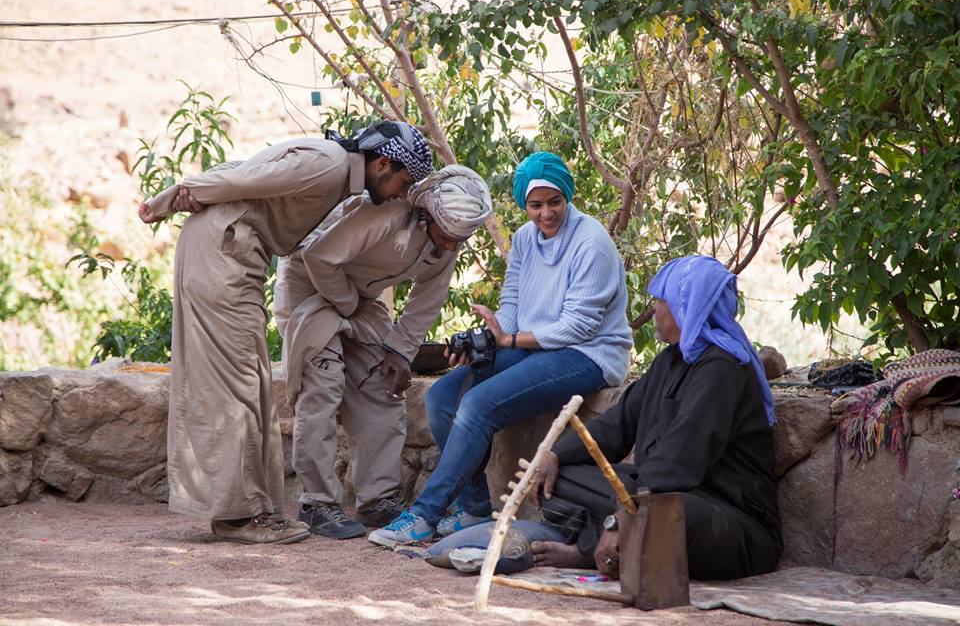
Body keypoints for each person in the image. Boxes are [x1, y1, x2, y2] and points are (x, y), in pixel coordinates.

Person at [137, 121, 432, 545]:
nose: (403, 195)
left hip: (234, 256)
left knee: (250, 381)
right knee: (236, 384)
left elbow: (252, 170)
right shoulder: (330, 164)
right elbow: (245, 178)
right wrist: (176, 195)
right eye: (403, 182)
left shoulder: (335, 173)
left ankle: (250, 511)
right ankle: (238, 518)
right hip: (224, 253)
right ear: (382, 163)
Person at [424, 255, 782, 581]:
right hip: (659, 496)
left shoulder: (723, 368)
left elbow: (680, 463)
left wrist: (619, 517)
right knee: (553, 480)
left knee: (665, 513)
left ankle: (592, 546)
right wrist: (555, 456)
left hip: (728, 521)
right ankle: (606, 543)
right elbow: (616, 427)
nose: (655, 310)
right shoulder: (671, 360)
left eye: (662, 302)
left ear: (689, 308)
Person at [368, 151, 633, 548]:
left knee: (478, 404)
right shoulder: (526, 239)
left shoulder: (591, 243)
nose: (546, 214)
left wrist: (508, 341)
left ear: (568, 196)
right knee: (443, 396)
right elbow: (511, 308)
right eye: (536, 205)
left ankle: (425, 515)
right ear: (524, 205)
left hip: (588, 354)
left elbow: (578, 326)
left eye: (554, 202)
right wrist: (486, 339)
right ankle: (474, 507)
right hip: (536, 346)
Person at [274, 165, 492, 539]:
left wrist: (399, 353)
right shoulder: (387, 212)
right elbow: (319, 258)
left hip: (357, 297)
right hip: (310, 287)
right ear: (429, 213)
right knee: (323, 383)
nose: (455, 245)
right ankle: (318, 503)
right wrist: (346, 305)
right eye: (451, 234)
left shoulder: (447, 241)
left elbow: (425, 303)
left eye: (463, 238)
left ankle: (377, 499)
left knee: (382, 385)